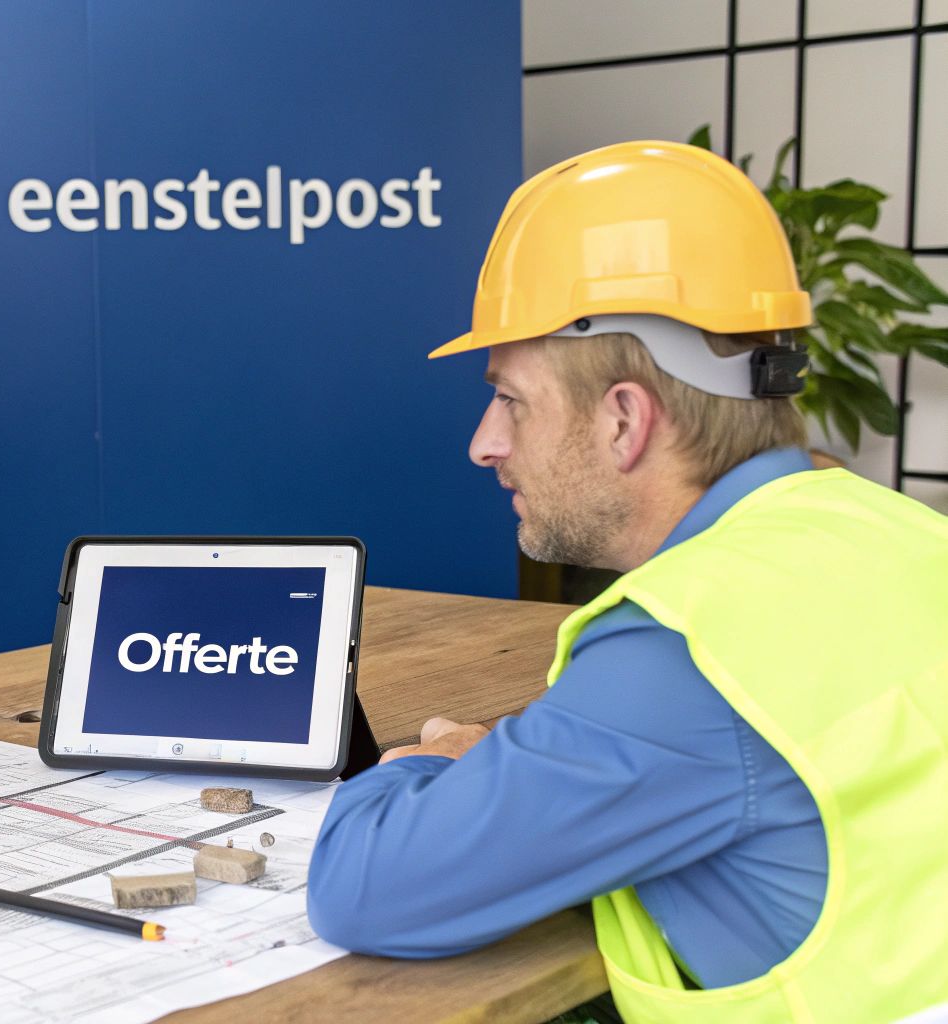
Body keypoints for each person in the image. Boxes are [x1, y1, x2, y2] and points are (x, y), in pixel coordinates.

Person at [306, 141, 948, 1022]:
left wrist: (428, 766)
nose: (484, 443)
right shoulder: (908, 536)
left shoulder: (689, 646)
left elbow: (364, 886)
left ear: (623, 420)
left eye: (512, 400)